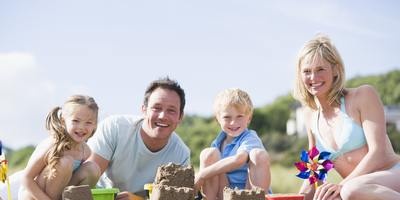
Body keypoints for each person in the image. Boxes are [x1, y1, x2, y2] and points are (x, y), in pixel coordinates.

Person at [293, 34, 400, 200]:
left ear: (335, 69)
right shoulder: (309, 115)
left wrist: (342, 185)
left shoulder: (363, 95)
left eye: (320, 69)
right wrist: (295, 198)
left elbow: (379, 153)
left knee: (348, 190)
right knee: (332, 197)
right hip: (356, 190)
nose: (313, 78)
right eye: (307, 71)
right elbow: (315, 172)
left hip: (392, 177)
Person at [87, 77, 190, 200]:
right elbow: (86, 182)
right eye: (156, 108)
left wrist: (137, 199)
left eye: (171, 111)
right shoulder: (114, 128)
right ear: (144, 110)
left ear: (180, 117)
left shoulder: (181, 154)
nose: (163, 116)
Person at [19, 95, 100, 200]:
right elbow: (26, 179)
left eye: (88, 123)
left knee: (93, 168)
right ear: (63, 121)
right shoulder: (53, 144)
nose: (81, 127)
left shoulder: (86, 151)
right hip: (34, 195)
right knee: (65, 162)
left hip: (59, 194)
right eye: (75, 121)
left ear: (95, 125)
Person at [194, 88, 271, 200]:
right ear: (218, 119)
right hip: (226, 194)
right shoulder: (218, 143)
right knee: (208, 154)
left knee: (258, 154)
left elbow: (239, 160)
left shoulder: (249, 137)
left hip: (248, 192)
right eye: (227, 117)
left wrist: (201, 174)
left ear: (249, 118)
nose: (233, 123)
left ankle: (257, 198)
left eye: (239, 116)